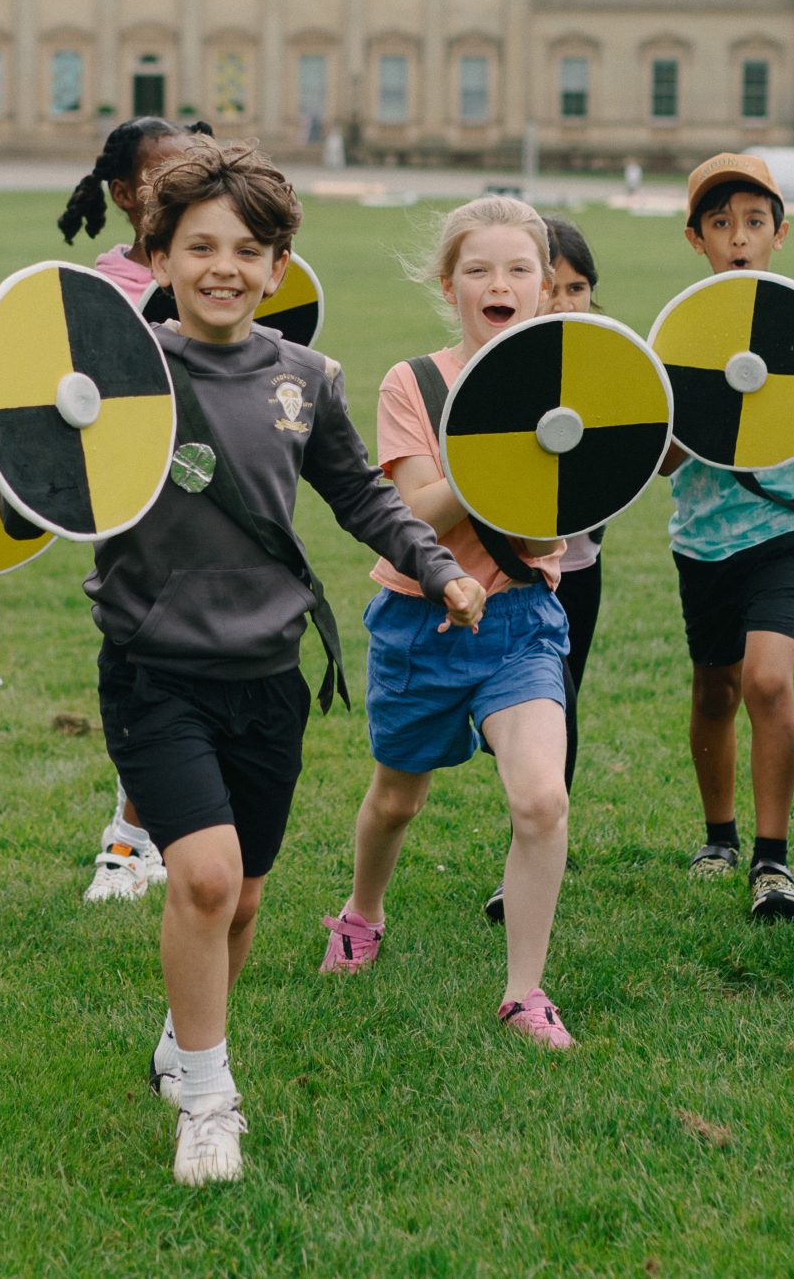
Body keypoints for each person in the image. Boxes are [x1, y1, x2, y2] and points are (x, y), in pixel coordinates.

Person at [92, 144, 483, 1185]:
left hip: (269, 674)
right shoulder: (115, 374)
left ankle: (185, 1040)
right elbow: (43, 468)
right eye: (200, 246)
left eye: (248, 250)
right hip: (152, 669)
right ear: (160, 255)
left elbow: (361, 495)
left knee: (247, 898)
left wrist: (438, 569)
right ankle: (210, 1102)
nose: (224, 266)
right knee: (205, 878)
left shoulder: (307, 379)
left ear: (277, 267)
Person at [321, 197, 578, 1050]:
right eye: (479, 269)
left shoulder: (566, 384)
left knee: (541, 797)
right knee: (397, 798)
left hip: (520, 617)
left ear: (544, 289)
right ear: (449, 283)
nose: (498, 284)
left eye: (518, 271)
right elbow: (416, 508)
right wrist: (501, 439)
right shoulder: (416, 383)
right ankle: (362, 912)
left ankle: (524, 991)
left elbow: (544, 532)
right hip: (417, 620)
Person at [666, 154, 794, 920]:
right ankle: (719, 836)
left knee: (767, 679)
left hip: (789, 526)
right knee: (714, 687)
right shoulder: (680, 333)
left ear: (782, 231)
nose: (738, 239)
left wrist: (773, 394)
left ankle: (772, 861)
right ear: (696, 238)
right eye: (721, 224)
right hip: (704, 535)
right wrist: (706, 405)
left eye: (753, 222)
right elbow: (663, 460)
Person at [60, 115, 200, 902]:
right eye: (160, 180)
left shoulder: (215, 267)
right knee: (147, 666)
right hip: (133, 514)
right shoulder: (101, 289)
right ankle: (129, 835)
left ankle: (164, 827)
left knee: (199, 667)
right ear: (123, 196)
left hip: (218, 501)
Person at [482, 214, 608, 924]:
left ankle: (527, 855)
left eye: (578, 287)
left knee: (559, 706)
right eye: (550, 286)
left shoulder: (609, 369)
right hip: (491, 573)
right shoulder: (496, 367)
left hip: (575, 569)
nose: (562, 301)